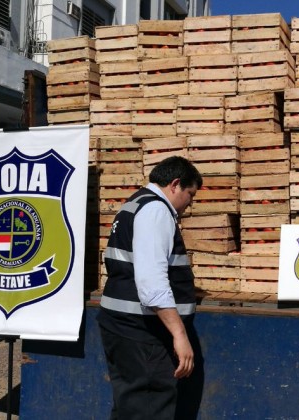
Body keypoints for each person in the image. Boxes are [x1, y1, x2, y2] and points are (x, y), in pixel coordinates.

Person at [97, 156, 203, 420]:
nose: (189, 204)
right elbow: (152, 285)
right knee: (148, 408)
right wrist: (179, 334)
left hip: (123, 327)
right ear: (175, 184)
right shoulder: (156, 211)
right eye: (190, 194)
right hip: (143, 333)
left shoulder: (133, 204)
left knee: (131, 407)